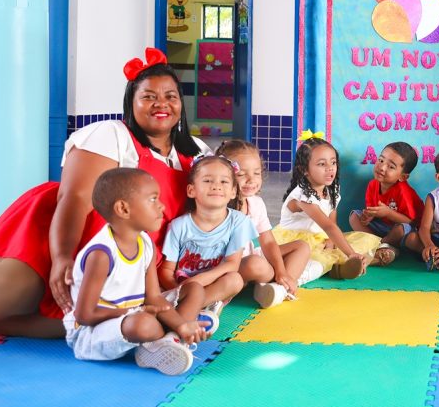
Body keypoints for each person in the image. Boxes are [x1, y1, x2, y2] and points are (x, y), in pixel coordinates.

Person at [0, 48, 209, 337]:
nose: (161, 104)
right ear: (131, 103)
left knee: (73, 327)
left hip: (130, 266)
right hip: (64, 242)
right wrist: (62, 257)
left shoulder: (197, 153)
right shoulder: (111, 135)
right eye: (148, 96)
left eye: (170, 96)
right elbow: (75, 198)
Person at [65, 168, 210, 375]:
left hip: (137, 312)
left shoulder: (145, 243)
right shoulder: (101, 254)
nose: (161, 206)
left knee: (194, 289)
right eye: (153, 199)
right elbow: (85, 315)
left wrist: (182, 325)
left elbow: (154, 298)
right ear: (123, 209)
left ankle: (172, 338)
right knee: (144, 324)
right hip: (93, 332)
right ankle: (162, 341)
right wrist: (135, 312)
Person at [216, 139, 322, 308]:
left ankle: (281, 285)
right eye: (241, 174)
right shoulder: (217, 206)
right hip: (231, 268)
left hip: (252, 258)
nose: (251, 180)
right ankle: (277, 284)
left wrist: (281, 271)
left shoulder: (255, 203)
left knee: (301, 247)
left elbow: (268, 242)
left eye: (257, 173)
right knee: (255, 264)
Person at [159, 156, 256, 329]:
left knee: (235, 280)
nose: (216, 186)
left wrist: (199, 281)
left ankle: (190, 309)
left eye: (224, 181)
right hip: (183, 286)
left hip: (215, 284)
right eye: (207, 180)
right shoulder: (178, 225)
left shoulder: (239, 221)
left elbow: (232, 264)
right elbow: (166, 270)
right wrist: (180, 290)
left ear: (233, 191)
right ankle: (194, 311)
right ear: (191, 190)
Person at [272, 134, 381, 279]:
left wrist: (331, 240)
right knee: (314, 260)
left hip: (319, 237)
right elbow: (328, 226)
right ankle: (330, 268)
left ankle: (341, 266)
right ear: (304, 170)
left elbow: (332, 219)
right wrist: (351, 253)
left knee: (362, 240)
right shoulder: (303, 196)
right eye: (322, 164)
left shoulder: (331, 190)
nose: (330, 168)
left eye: (333, 162)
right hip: (296, 242)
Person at [348, 141, 423, 265]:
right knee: (354, 216)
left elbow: (410, 222)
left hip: (401, 230)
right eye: (381, 160)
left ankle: (380, 246)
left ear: (403, 177)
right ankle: (381, 246)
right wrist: (368, 216)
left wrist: (388, 213)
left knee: (401, 229)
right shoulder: (373, 185)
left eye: (391, 167)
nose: (382, 167)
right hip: (381, 227)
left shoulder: (403, 192)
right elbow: (371, 210)